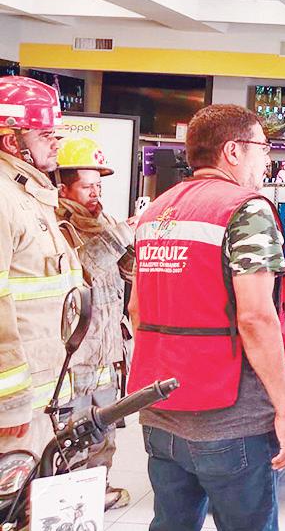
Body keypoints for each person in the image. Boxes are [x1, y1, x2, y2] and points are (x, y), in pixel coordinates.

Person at [128, 104, 285, 531]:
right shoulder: (246, 210)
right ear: (233, 151)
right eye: (262, 147)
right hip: (231, 420)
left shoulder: (155, 213)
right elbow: (256, 318)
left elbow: (136, 309)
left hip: (160, 411)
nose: (267, 159)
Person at [0, 77, 82, 462]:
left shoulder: (29, 195)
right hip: (16, 407)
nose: (56, 143)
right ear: (11, 142)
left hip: (41, 394)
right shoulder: (5, 199)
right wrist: (9, 401)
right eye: (45, 134)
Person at [55, 137, 135, 510]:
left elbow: (127, 273)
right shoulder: (56, 225)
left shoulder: (107, 222)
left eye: (99, 186)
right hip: (73, 358)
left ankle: (98, 490)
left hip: (107, 353)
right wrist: (122, 236)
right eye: (87, 187)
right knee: (71, 432)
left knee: (104, 428)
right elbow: (84, 268)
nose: (95, 194)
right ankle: (67, 501)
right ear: (64, 189)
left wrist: (139, 245)